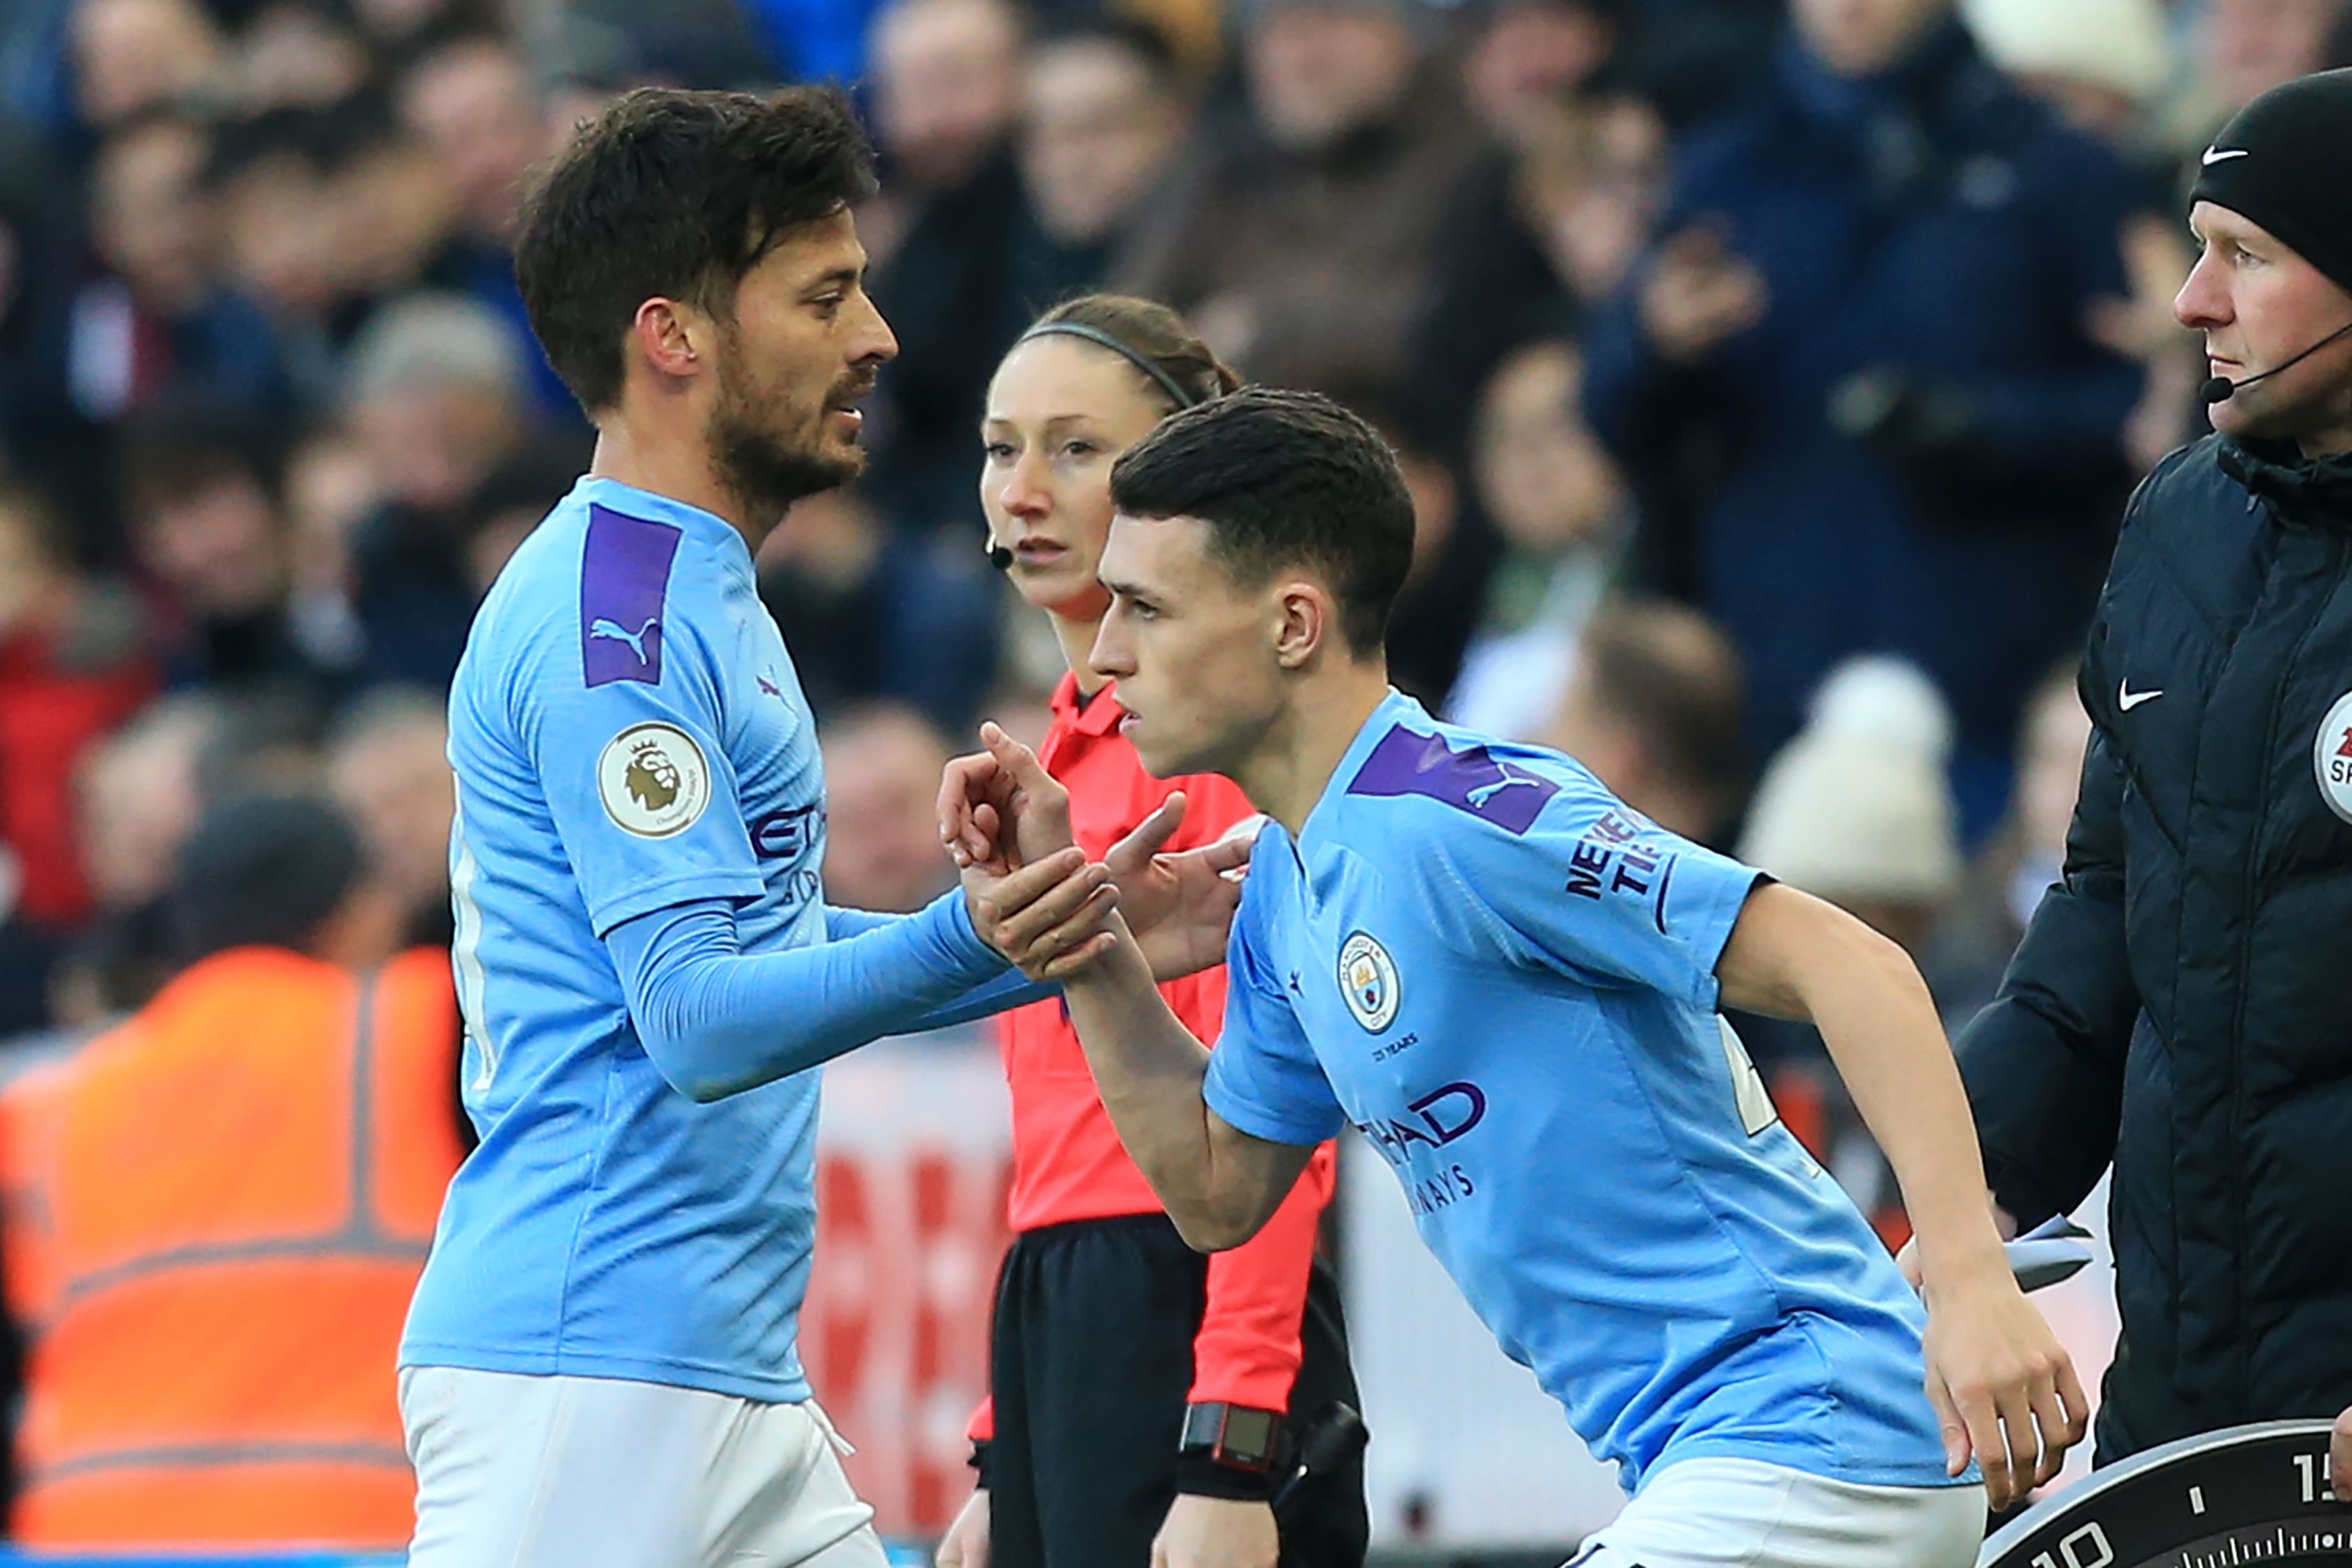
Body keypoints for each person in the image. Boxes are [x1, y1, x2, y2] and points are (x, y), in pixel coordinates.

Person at [943, 388, 2091, 1567]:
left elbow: (1856, 965)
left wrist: (1969, 1286)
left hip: (1812, 1436)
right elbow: (1219, 1188)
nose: (1107, 648)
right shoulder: (1288, 881)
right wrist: (1084, 944)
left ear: (1292, 623)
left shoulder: (1463, 819)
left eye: (1144, 606)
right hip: (1722, 1459)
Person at [397, 87, 1238, 1567]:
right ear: (677, 338)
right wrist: (974, 929)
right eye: (824, 294)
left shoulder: (697, 587)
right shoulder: (620, 629)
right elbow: (700, 1019)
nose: (878, 336)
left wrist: (1073, 932)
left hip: (713, 1374)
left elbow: (758, 944)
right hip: (585, 1377)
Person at [1949, 68, 2352, 1488]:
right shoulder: (2176, 525)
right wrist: (1959, 1191)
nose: (2191, 299)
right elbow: (2105, 911)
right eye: (2195, 246)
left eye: (2244, 253)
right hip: (2177, 1397)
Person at [937, 295, 1366, 1568]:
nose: (1023, 489)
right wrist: (1000, 1444)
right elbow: (1050, 1145)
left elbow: (1276, 1129)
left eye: (1076, 449)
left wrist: (1229, 1447)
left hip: (1194, 1328)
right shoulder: (1052, 756)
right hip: (1066, 1324)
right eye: (999, 446)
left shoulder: (1217, 750)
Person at [1, 791, 463, 1547]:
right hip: (354, 1528)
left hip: (82, 1535)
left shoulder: (53, 1100)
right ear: (356, 911)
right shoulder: (418, 1020)